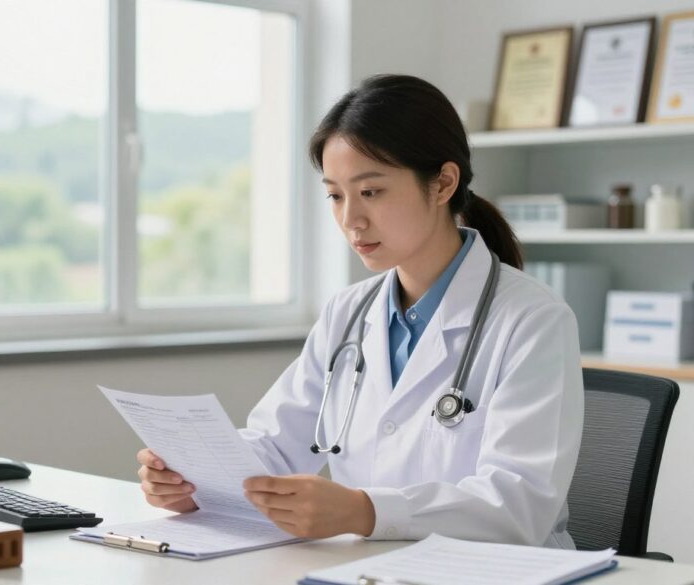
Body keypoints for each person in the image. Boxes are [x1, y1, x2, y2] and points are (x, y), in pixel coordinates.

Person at [135, 74, 584, 548]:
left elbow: (520, 504)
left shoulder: (532, 321)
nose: (351, 220)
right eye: (335, 194)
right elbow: (276, 445)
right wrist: (195, 484)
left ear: (443, 184)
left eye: (371, 192)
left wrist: (365, 511)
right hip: (367, 568)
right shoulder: (349, 312)